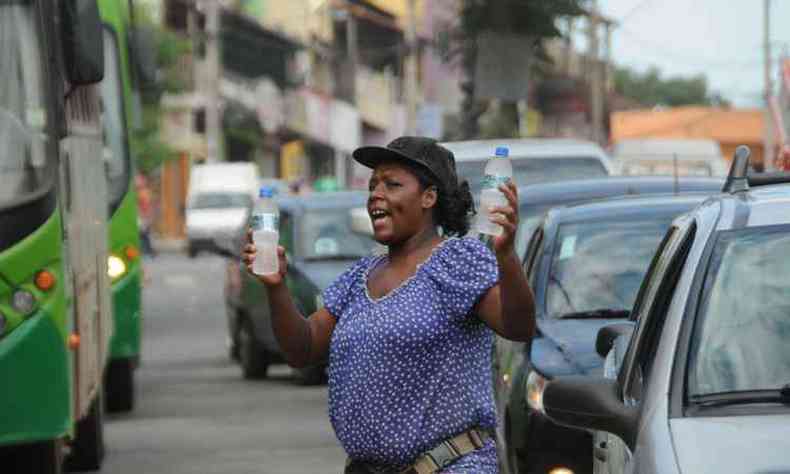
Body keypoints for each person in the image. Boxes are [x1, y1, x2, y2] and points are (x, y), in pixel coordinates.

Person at [242, 136, 536, 473]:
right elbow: (302, 349)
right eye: (372, 185)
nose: (375, 195)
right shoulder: (359, 276)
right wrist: (277, 288)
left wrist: (507, 256)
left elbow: (518, 326)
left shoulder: (457, 260)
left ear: (429, 197)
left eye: (392, 184)